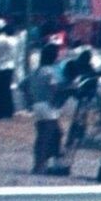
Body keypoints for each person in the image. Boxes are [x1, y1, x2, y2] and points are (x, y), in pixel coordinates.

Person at [29, 44, 64, 174]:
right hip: (48, 105)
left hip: (37, 105)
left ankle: (42, 162)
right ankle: (40, 164)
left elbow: (24, 85)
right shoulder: (50, 71)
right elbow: (54, 87)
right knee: (47, 136)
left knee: (48, 134)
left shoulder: (37, 70)